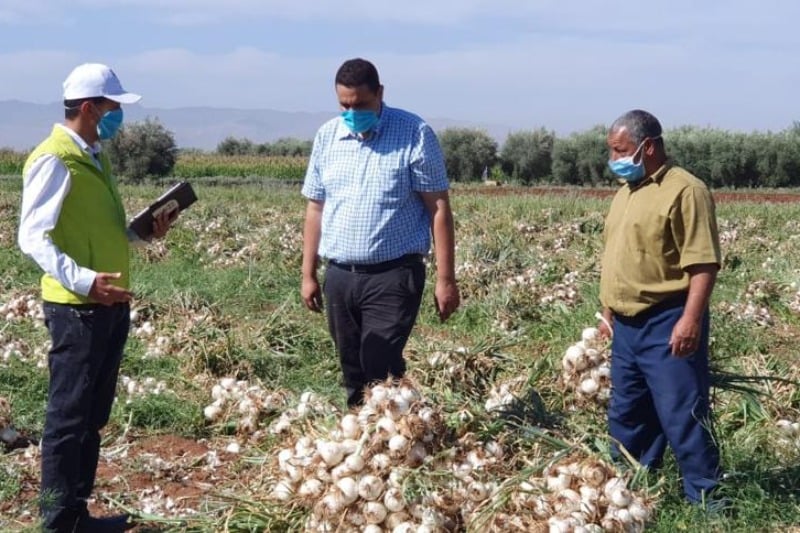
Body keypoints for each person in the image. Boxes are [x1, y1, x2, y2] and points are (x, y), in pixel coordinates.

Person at [18, 63, 176, 532]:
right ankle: (57, 520)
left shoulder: (94, 156)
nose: (116, 117)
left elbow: (101, 231)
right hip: (76, 309)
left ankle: (77, 514)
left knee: (92, 415)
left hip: (107, 305)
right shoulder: (55, 158)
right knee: (67, 418)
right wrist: (84, 281)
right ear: (89, 108)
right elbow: (32, 237)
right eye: (112, 108)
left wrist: (143, 233)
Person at [301, 58, 460, 408]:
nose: (351, 111)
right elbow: (315, 208)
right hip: (340, 275)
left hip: (394, 275)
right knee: (352, 366)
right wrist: (308, 274)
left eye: (360, 104)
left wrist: (445, 279)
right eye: (344, 105)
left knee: (380, 362)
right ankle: (362, 436)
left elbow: (439, 209)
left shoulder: (414, 133)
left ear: (380, 94)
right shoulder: (328, 137)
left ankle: (396, 432)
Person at [598, 109, 722, 505]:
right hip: (627, 329)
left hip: (668, 320)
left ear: (647, 147)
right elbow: (621, 256)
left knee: (682, 416)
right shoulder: (625, 193)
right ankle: (631, 498)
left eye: (620, 150)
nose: (613, 158)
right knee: (628, 416)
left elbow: (703, 262)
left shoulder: (686, 190)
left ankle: (707, 504)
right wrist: (609, 310)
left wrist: (691, 320)